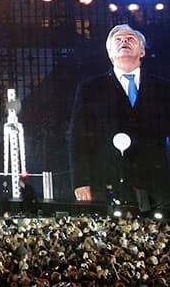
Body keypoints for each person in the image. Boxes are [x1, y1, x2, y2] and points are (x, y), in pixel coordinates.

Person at [70, 24, 170, 212]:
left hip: (158, 185)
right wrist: (81, 181)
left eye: (130, 38)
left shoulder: (164, 88)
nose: (124, 41)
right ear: (109, 53)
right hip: (108, 182)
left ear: (142, 52)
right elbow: (78, 139)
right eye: (118, 39)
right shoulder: (90, 88)